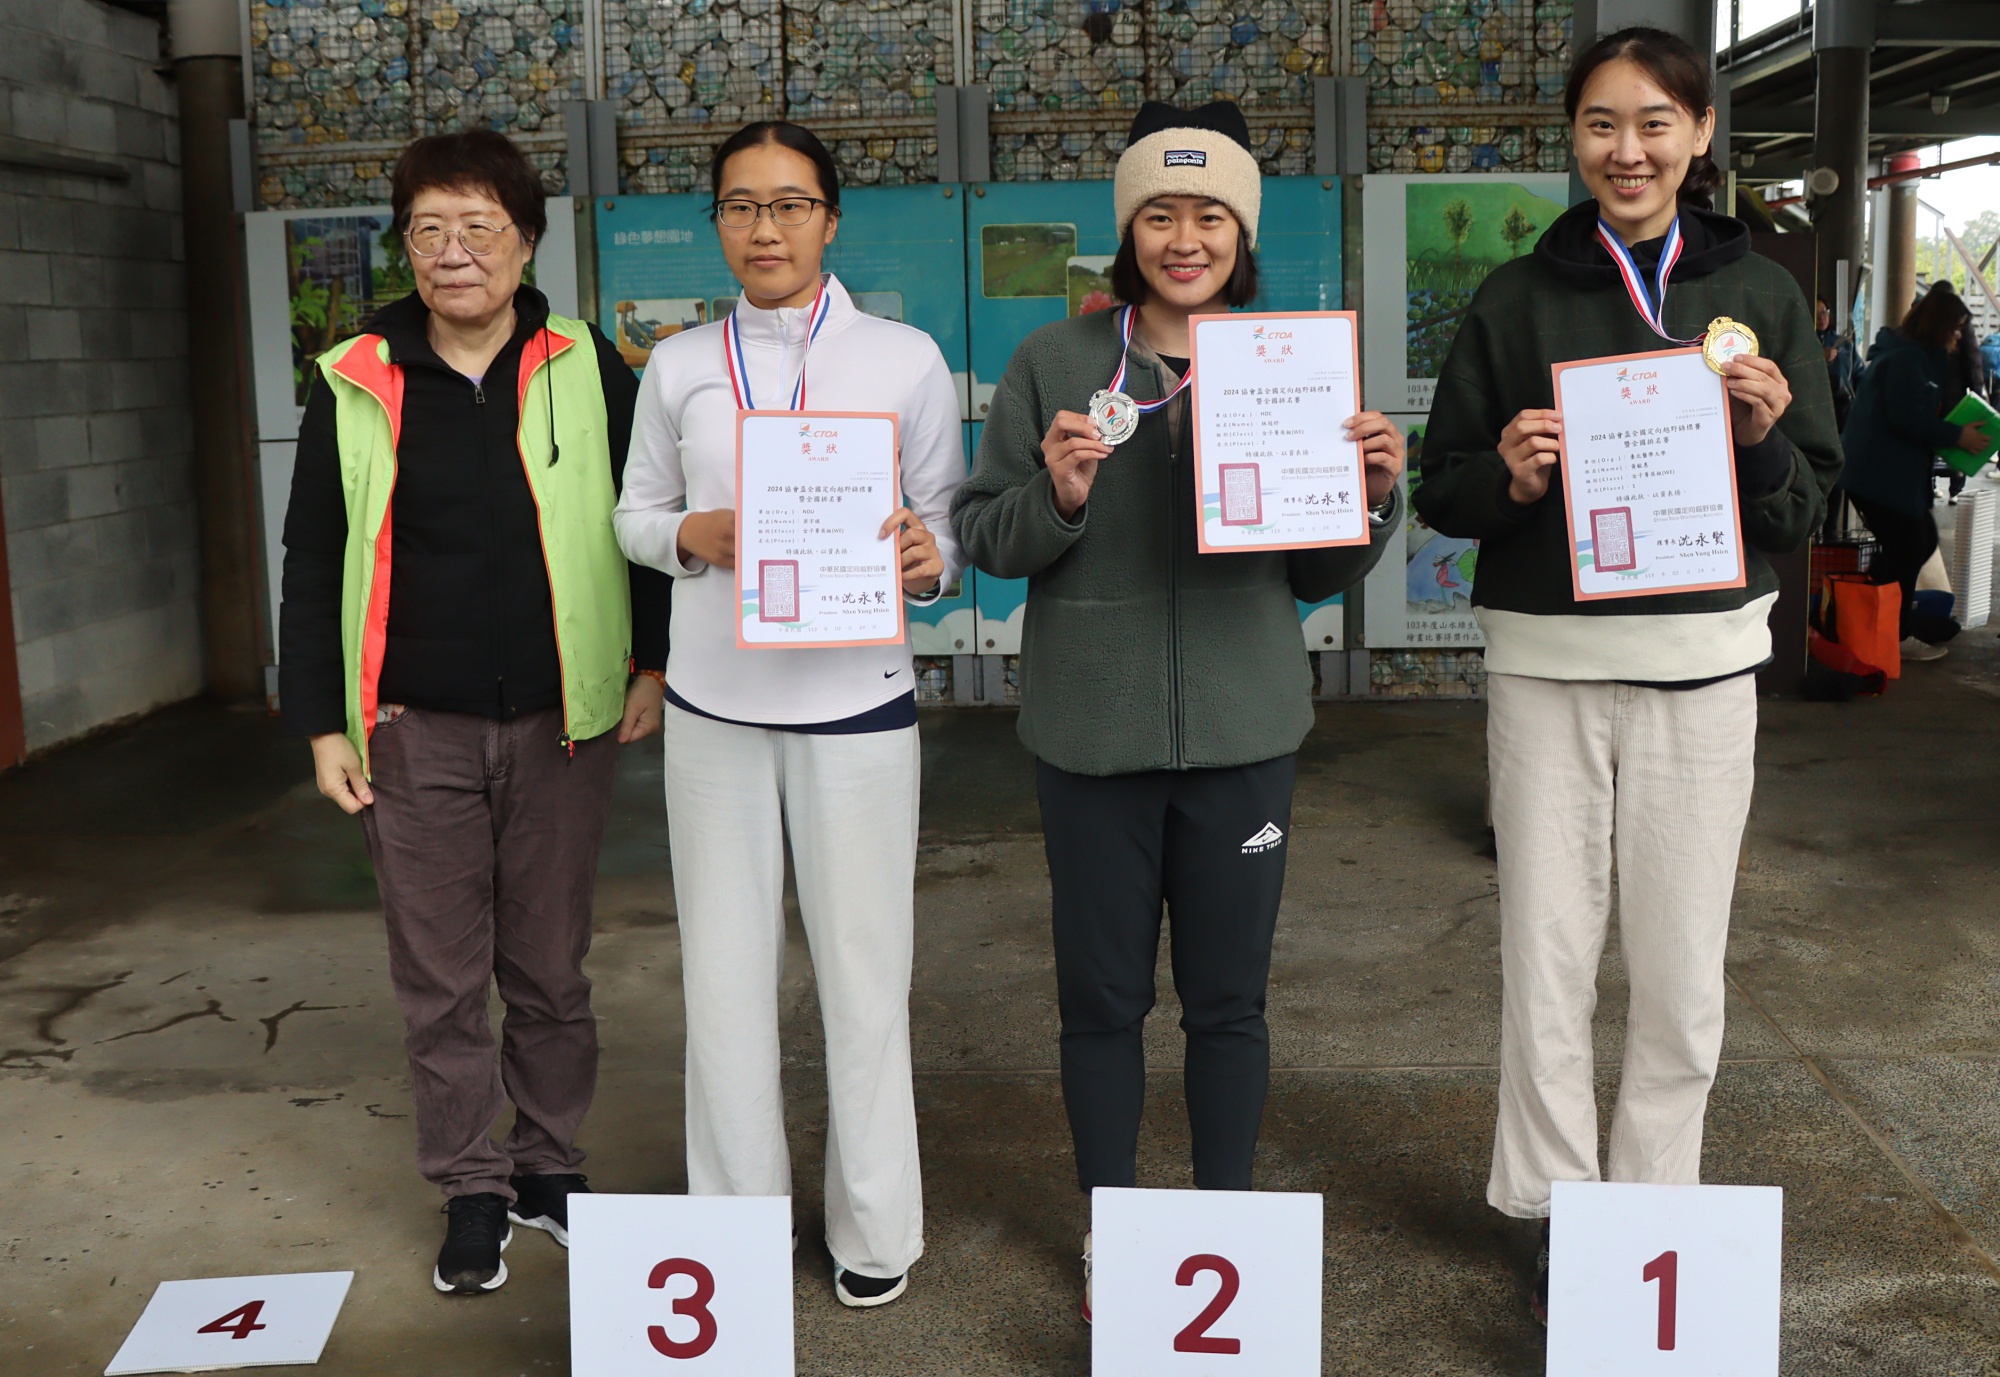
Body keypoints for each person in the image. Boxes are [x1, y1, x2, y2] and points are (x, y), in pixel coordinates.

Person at [1412, 28, 1842, 1322]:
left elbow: (1807, 502)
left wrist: (1763, 441)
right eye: (1603, 123)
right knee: (1545, 955)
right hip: (1548, 666)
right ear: (1575, 138)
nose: (1629, 149)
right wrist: (1514, 473)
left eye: (1655, 122)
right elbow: (1446, 492)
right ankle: (1550, 1207)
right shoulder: (1514, 297)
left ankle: (1654, 1211)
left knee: (1680, 971)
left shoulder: (1759, 295)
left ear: (1700, 135)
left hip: (1704, 671)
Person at [950, 100, 1403, 1320]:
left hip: (1244, 734)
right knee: (1098, 1001)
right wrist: (1055, 492)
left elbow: (1311, 573)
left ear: (1239, 233)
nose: (1183, 235)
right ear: (1127, 233)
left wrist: (1365, 501)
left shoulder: (1284, 365)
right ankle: (1115, 1231)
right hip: (1089, 740)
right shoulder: (1054, 360)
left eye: (1209, 214)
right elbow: (986, 537)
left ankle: (1222, 1236)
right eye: (1158, 212)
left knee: (1227, 1001)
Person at [279, 129, 670, 1294]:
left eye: (479, 227)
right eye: (429, 231)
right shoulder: (353, 375)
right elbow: (313, 553)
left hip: (563, 720)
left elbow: (643, 523)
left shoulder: (591, 363)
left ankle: (550, 1164)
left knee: (550, 965)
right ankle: (469, 1184)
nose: (454, 254)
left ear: (527, 240)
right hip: (408, 725)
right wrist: (321, 722)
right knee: (440, 977)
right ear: (407, 248)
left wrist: (648, 663)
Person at [613, 121, 962, 1310]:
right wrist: (684, 537)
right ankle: (734, 1241)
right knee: (721, 979)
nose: (764, 229)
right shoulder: (677, 365)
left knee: (866, 978)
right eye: (740, 207)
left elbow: (944, 525)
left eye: (789, 206)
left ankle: (873, 1231)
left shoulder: (903, 358)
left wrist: (929, 557)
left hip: (858, 705)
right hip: (715, 707)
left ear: (829, 220)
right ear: (716, 221)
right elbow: (631, 517)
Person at [1839, 285, 1987, 658]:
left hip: (1881, 474)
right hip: (1881, 476)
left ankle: (1871, 614)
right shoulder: (1909, 361)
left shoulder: (1908, 355)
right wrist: (1958, 435)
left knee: (1916, 543)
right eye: (1955, 328)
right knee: (1909, 546)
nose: (1957, 337)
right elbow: (1907, 418)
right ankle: (1894, 633)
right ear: (1939, 326)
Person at [1815, 295, 1855, 431]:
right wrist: (1820, 356)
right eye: (1816, 313)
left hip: (1844, 406)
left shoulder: (1843, 343)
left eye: (1824, 311)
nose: (1822, 317)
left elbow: (1858, 372)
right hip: (1819, 408)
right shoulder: (1807, 343)